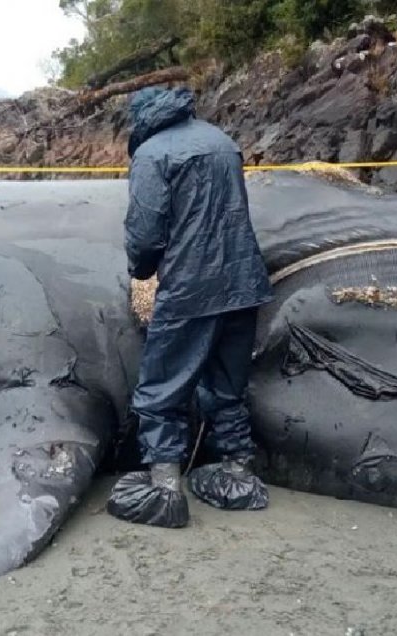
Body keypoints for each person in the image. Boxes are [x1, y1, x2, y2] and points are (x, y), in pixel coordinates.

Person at [106, 86, 274, 528]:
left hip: (190, 288)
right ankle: (238, 475)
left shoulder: (152, 154)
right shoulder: (221, 141)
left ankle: (164, 487)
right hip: (243, 281)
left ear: (142, 120)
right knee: (226, 382)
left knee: (161, 386)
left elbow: (145, 231)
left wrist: (142, 271)